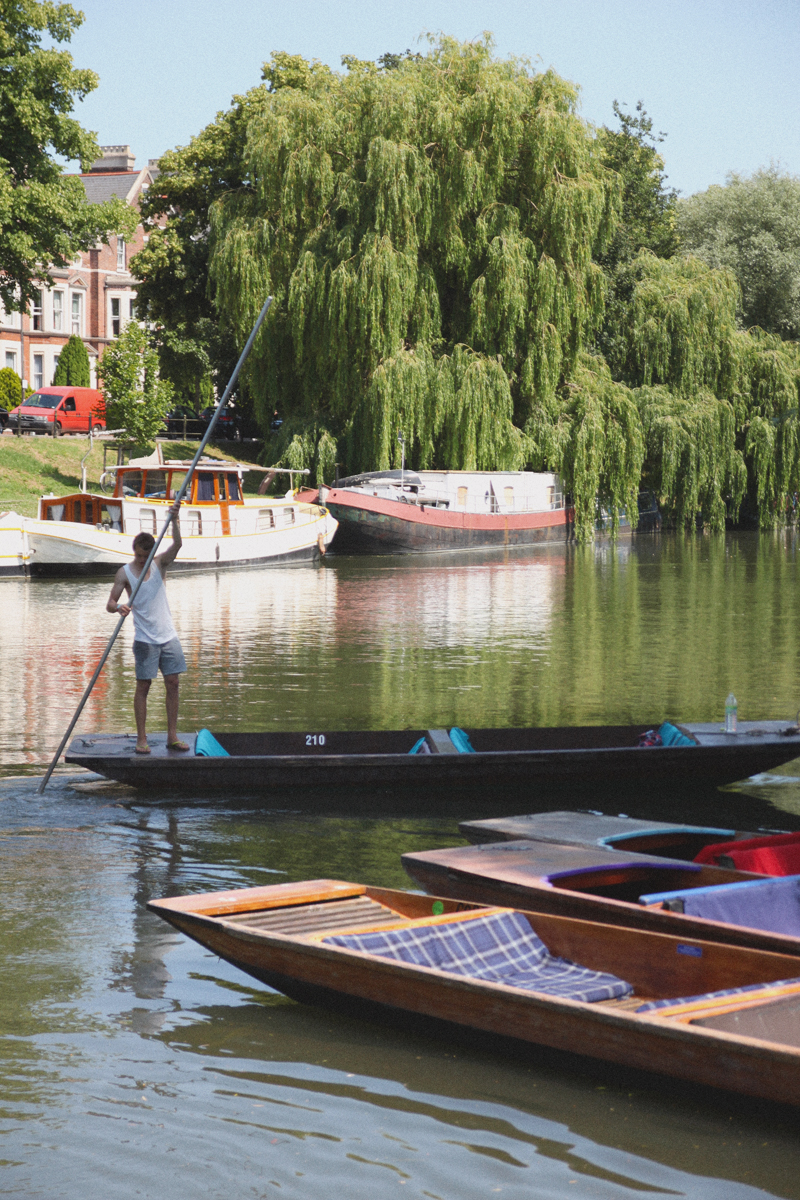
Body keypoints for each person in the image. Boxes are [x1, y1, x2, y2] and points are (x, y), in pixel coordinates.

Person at [106, 501, 188, 754]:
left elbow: (177, 545)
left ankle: (171, 736)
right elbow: (110, 603)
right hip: (145, 639)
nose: (141, 560)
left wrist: (174, 520)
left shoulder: (159, 564)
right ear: (134, 552)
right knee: (144, 686)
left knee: (173, 683)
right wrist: (118, 608)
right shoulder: (125, 573)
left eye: (145, 556)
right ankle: (142, 739)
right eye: (138, 555)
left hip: (168, 636)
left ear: (152, 553)